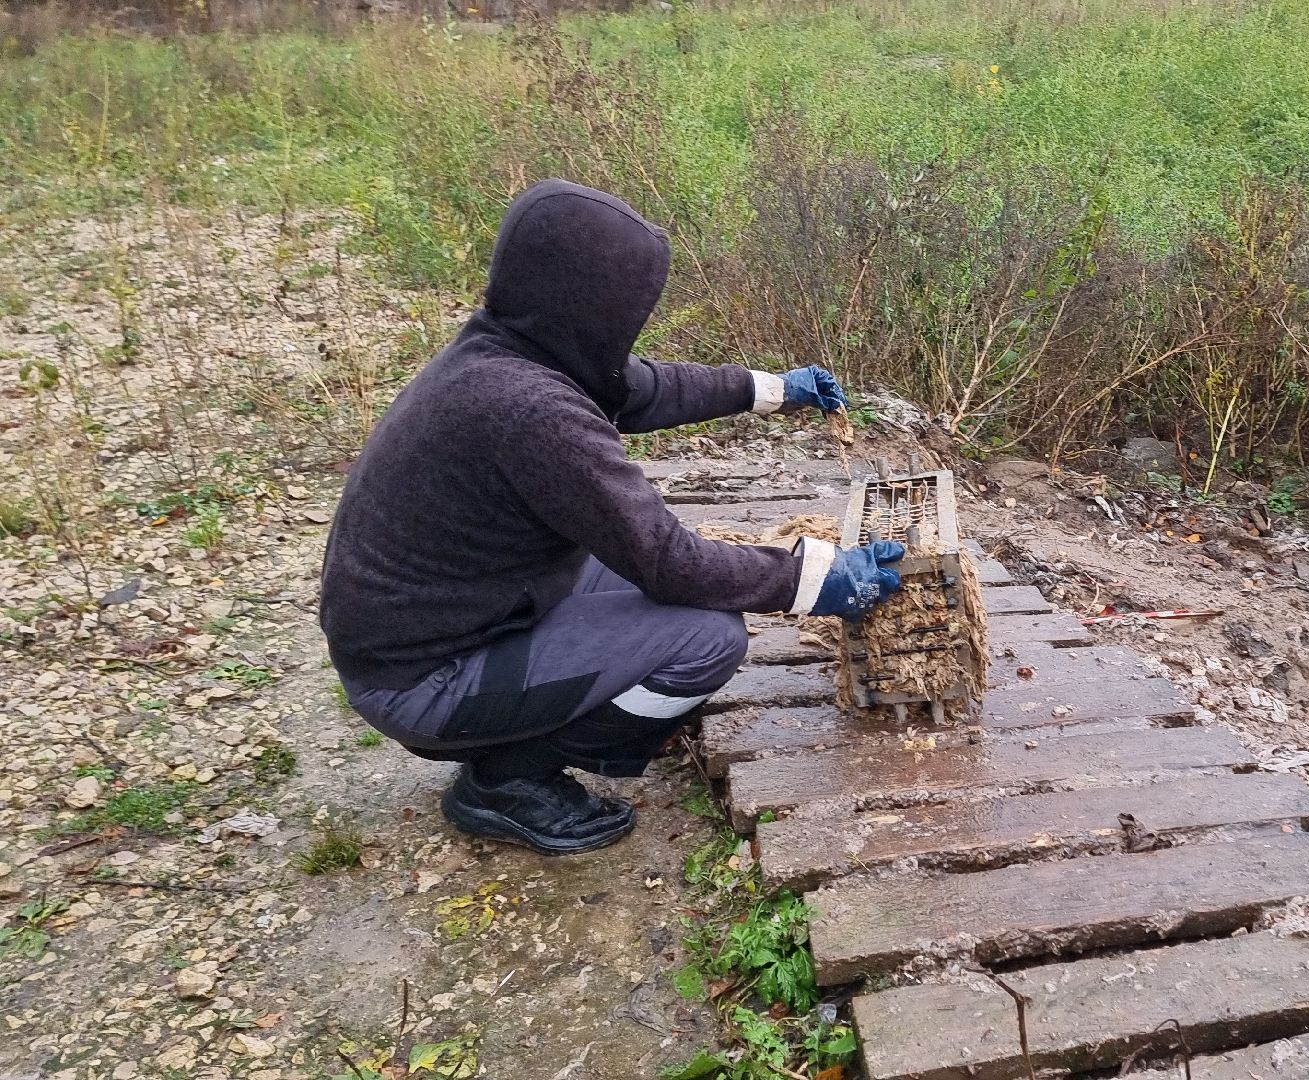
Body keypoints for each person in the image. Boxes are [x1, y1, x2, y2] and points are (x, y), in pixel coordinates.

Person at [318, 179, 904, 855]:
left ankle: (527, 728)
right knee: (707, 637)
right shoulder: (532, 411)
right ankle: (509, 778)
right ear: (591, 307)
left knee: (625, 563)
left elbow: (650, 387)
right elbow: (670, 560)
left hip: (436, 628)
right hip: (421, 682)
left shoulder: (506, 350)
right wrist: (815, 578)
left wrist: (776, 390)